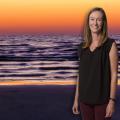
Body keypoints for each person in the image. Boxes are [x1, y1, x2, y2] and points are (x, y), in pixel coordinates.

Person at [72, 7, 118, 120]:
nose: (95, 23)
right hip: (84, 100)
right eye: (92, 19)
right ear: (88, 22)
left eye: (99, 20)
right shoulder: (82, 47)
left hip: (102, 100)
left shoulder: (110, 45)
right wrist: (76, 99)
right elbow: (80, 75)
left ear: (103, 23)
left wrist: (112, 101)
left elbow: (114, 75)